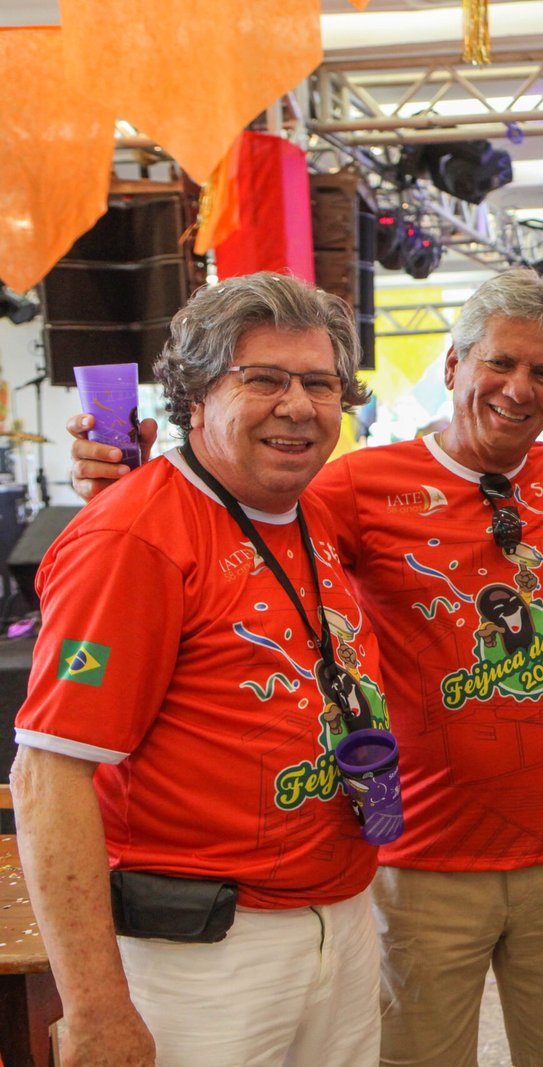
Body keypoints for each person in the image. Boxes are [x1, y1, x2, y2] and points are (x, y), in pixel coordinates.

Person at [69, 271, 543, 1066]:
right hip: (416, 857)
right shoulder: (355, 486)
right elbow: (236, 501)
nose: (518, 387)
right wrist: (127, 482)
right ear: (453, 365)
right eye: (499, 362)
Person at [12, 272, 386, 1065]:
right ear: (195, 396)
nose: (298, 405)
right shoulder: (132, 540)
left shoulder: (312, 510)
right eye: (264, 379)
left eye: (320, 383)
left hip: (340, 916)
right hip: (204, 954)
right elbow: (47, 776)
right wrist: (96, 1009)